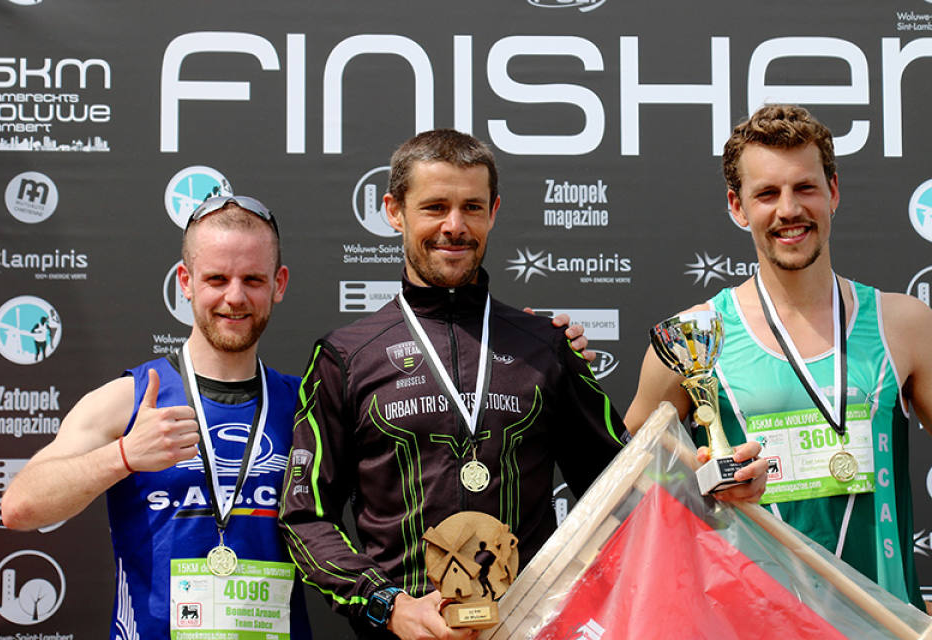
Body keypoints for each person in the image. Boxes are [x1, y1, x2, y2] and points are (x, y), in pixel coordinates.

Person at [279, 129, 763, 640]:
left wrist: (714, 486)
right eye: (435, 207)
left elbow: (627, 488)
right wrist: (389, 605)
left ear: (494, 211)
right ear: (394, 211)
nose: (454, 226)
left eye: (472, 207)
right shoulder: (346, 357)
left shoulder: (545, 346)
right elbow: (305, 516)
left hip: (534, 630)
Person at [624, 104, 932, 608]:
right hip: (750, 624)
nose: (789, 210)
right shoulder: (692, 339)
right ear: (738, 207)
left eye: (805, 188)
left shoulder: (903, 325)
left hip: (888, 625)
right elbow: (627, 483)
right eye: (767, 194)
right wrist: (707, 483)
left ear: (833, 192)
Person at [1, 195, 313, 639]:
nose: (235, 296)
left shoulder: (306, 406)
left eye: (253, 279)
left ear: (278, 284)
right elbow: (19, 507)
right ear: (185, 281)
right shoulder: (127, 399)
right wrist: (124, 455)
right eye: (216, 278)